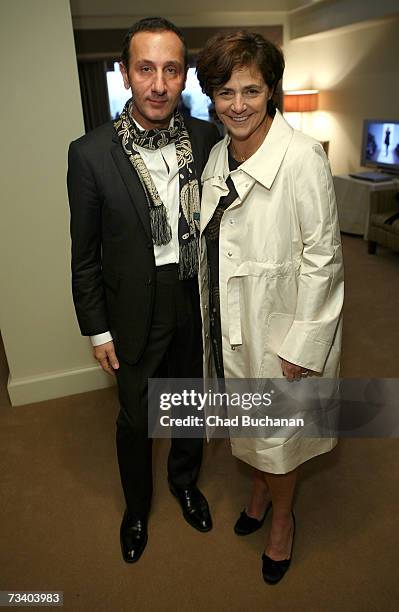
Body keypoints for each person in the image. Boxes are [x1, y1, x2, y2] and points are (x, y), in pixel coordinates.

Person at [67, 17, 220, 564]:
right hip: (132, 309)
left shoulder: (208, 139)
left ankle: (184, 483)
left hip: (193, 299)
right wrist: (97, 328)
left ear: (185, 78)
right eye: (146, 69)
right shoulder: (88, 154)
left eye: (171, 70)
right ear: (125, 74)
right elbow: (84, 256)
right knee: (136, 418)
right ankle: (137, 508)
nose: (159, 84)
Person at [196, 31, 344, 584]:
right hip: (231, 324)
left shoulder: (303, 157)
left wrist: (303, 346)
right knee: (251, 427)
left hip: (280, 328)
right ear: (212, 96)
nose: (238, 105)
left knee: (278, 437)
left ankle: (281, 520)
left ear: (271, 91)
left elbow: (323, 260)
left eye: (251, 91)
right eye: (226, 91)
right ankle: (257, 494)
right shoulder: (216, 155)